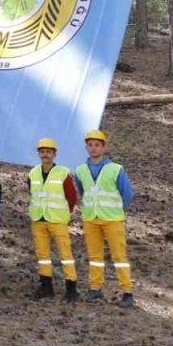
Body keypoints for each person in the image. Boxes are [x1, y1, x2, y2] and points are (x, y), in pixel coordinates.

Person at [75, 130, 135, 307]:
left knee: (119, 256)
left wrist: (117, 210)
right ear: (86, 147)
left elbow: (127, 194)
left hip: (112, 219)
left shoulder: (116, 169)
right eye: (90, 145)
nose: (93, 148)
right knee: (94, 255)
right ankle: (95, 289)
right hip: (90, 219)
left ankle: (127, 292)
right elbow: (83, 190)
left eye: (97, 145)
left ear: (103, 147)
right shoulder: (80, 170)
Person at [28, 137, 79, 303]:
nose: (45, 155)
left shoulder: (63, 173)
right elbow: (32, 193)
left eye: (48, 152)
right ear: (38, 154)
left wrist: (64, 214)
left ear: (54, 154)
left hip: (57, 220)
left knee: (65, 254)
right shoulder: (33, 173)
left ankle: (71, 289)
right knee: (43, 255)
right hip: (38, 219)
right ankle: (46, 286)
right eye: (42, 152)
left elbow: (71, 197)